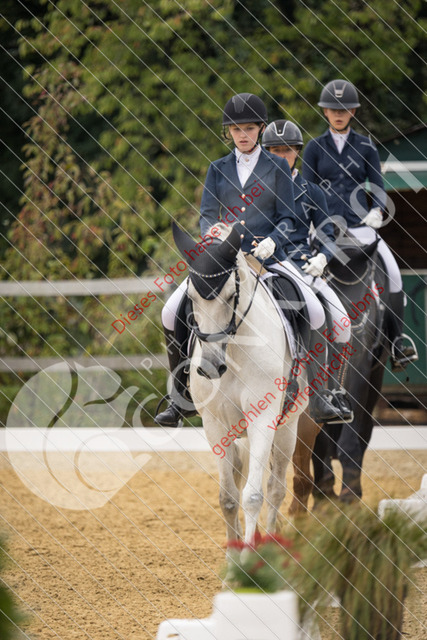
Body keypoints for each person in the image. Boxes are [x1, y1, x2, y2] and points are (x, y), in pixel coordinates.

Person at [155, 93, 350, 427]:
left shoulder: (277, 166)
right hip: (226, 259)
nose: (242, 135)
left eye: (248, 128)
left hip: (269, 258)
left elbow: (288, 217)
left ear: (260, 128)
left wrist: (274, 239)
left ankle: (320, 395)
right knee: (170, 310)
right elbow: (206, 214)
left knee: (316, 310)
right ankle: (179, 395)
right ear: (228, 132)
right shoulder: (217, 169)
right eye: (236, 129)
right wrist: (212, 233)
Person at [302, 79, 418, 371]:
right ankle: (299, 342)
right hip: (325, 228)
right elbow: (306, 189)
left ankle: (397, 342)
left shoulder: (366, 146)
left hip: (360, 225)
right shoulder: (314, 147)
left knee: (394, 275)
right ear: (325, 112)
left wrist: (377, 209)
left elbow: (377, 186)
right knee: (302, 275)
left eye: (344, 109)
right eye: (333, 109)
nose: (338, 114)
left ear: (353, 112)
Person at [262, 118, 353, 420]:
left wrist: (323, 257)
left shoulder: (312, 192)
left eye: (287, 150)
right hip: (262, 264)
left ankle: (329, 393)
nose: (281, 156)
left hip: (302, 264)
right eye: (275, 150)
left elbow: (327, 234)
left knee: (341, 322)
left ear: (297, 152)